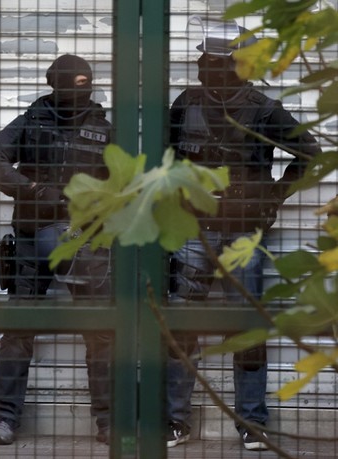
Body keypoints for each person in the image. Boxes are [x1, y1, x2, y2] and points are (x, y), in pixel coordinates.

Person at [167, 19, 321, 451]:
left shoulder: (263, 107)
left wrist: (273, 197)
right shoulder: (186, 102)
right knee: (179, 330)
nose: (201, 65)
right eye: (202, 58)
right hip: (192, 231)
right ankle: (174, 421)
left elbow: (310, 153)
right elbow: (162, 157)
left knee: (246, 333)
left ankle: (251, 424)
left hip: (243, 236)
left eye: (210, 59)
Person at [0, 54, 114, 446]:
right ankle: (4, 417)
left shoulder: (105, 130)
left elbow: (125, 184)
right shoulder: (30, 122)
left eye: (85, 87)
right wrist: (35, 190)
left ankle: (108, 421)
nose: (80, 95)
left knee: (102, 333)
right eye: (73, 86)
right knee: (20, 330)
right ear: (55, 86)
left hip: (85, 241)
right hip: (31, 235)